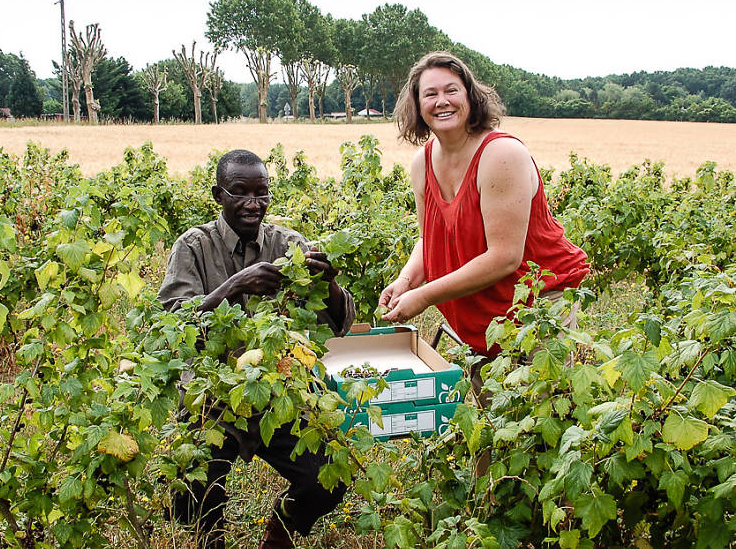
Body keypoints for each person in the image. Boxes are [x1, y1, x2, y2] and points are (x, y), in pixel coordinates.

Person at [158, 149, 355, 549]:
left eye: (261, 193)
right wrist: (235, 285)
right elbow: (175, 326)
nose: (253, 203)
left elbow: (339, 324)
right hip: (212, 397)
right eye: (240, 192)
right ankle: (210, 537)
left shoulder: (289, 244)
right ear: (219, 195)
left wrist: (329, 284)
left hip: (279, 394)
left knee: (334, 473)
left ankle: (281, 529)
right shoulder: (193, 246)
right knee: (190, 487)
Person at [379, 51, 589, 397]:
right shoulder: (422, 163)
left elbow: (505, 256)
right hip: (481, 309)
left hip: (535, 305)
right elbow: (428, 239)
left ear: (470, 97)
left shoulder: (500, 155)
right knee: (494, 422)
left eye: (452, 91)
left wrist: (425, 296)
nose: (441, 101)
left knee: (535, 419)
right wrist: (406, 281)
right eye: (430, 94)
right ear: (416, 105)